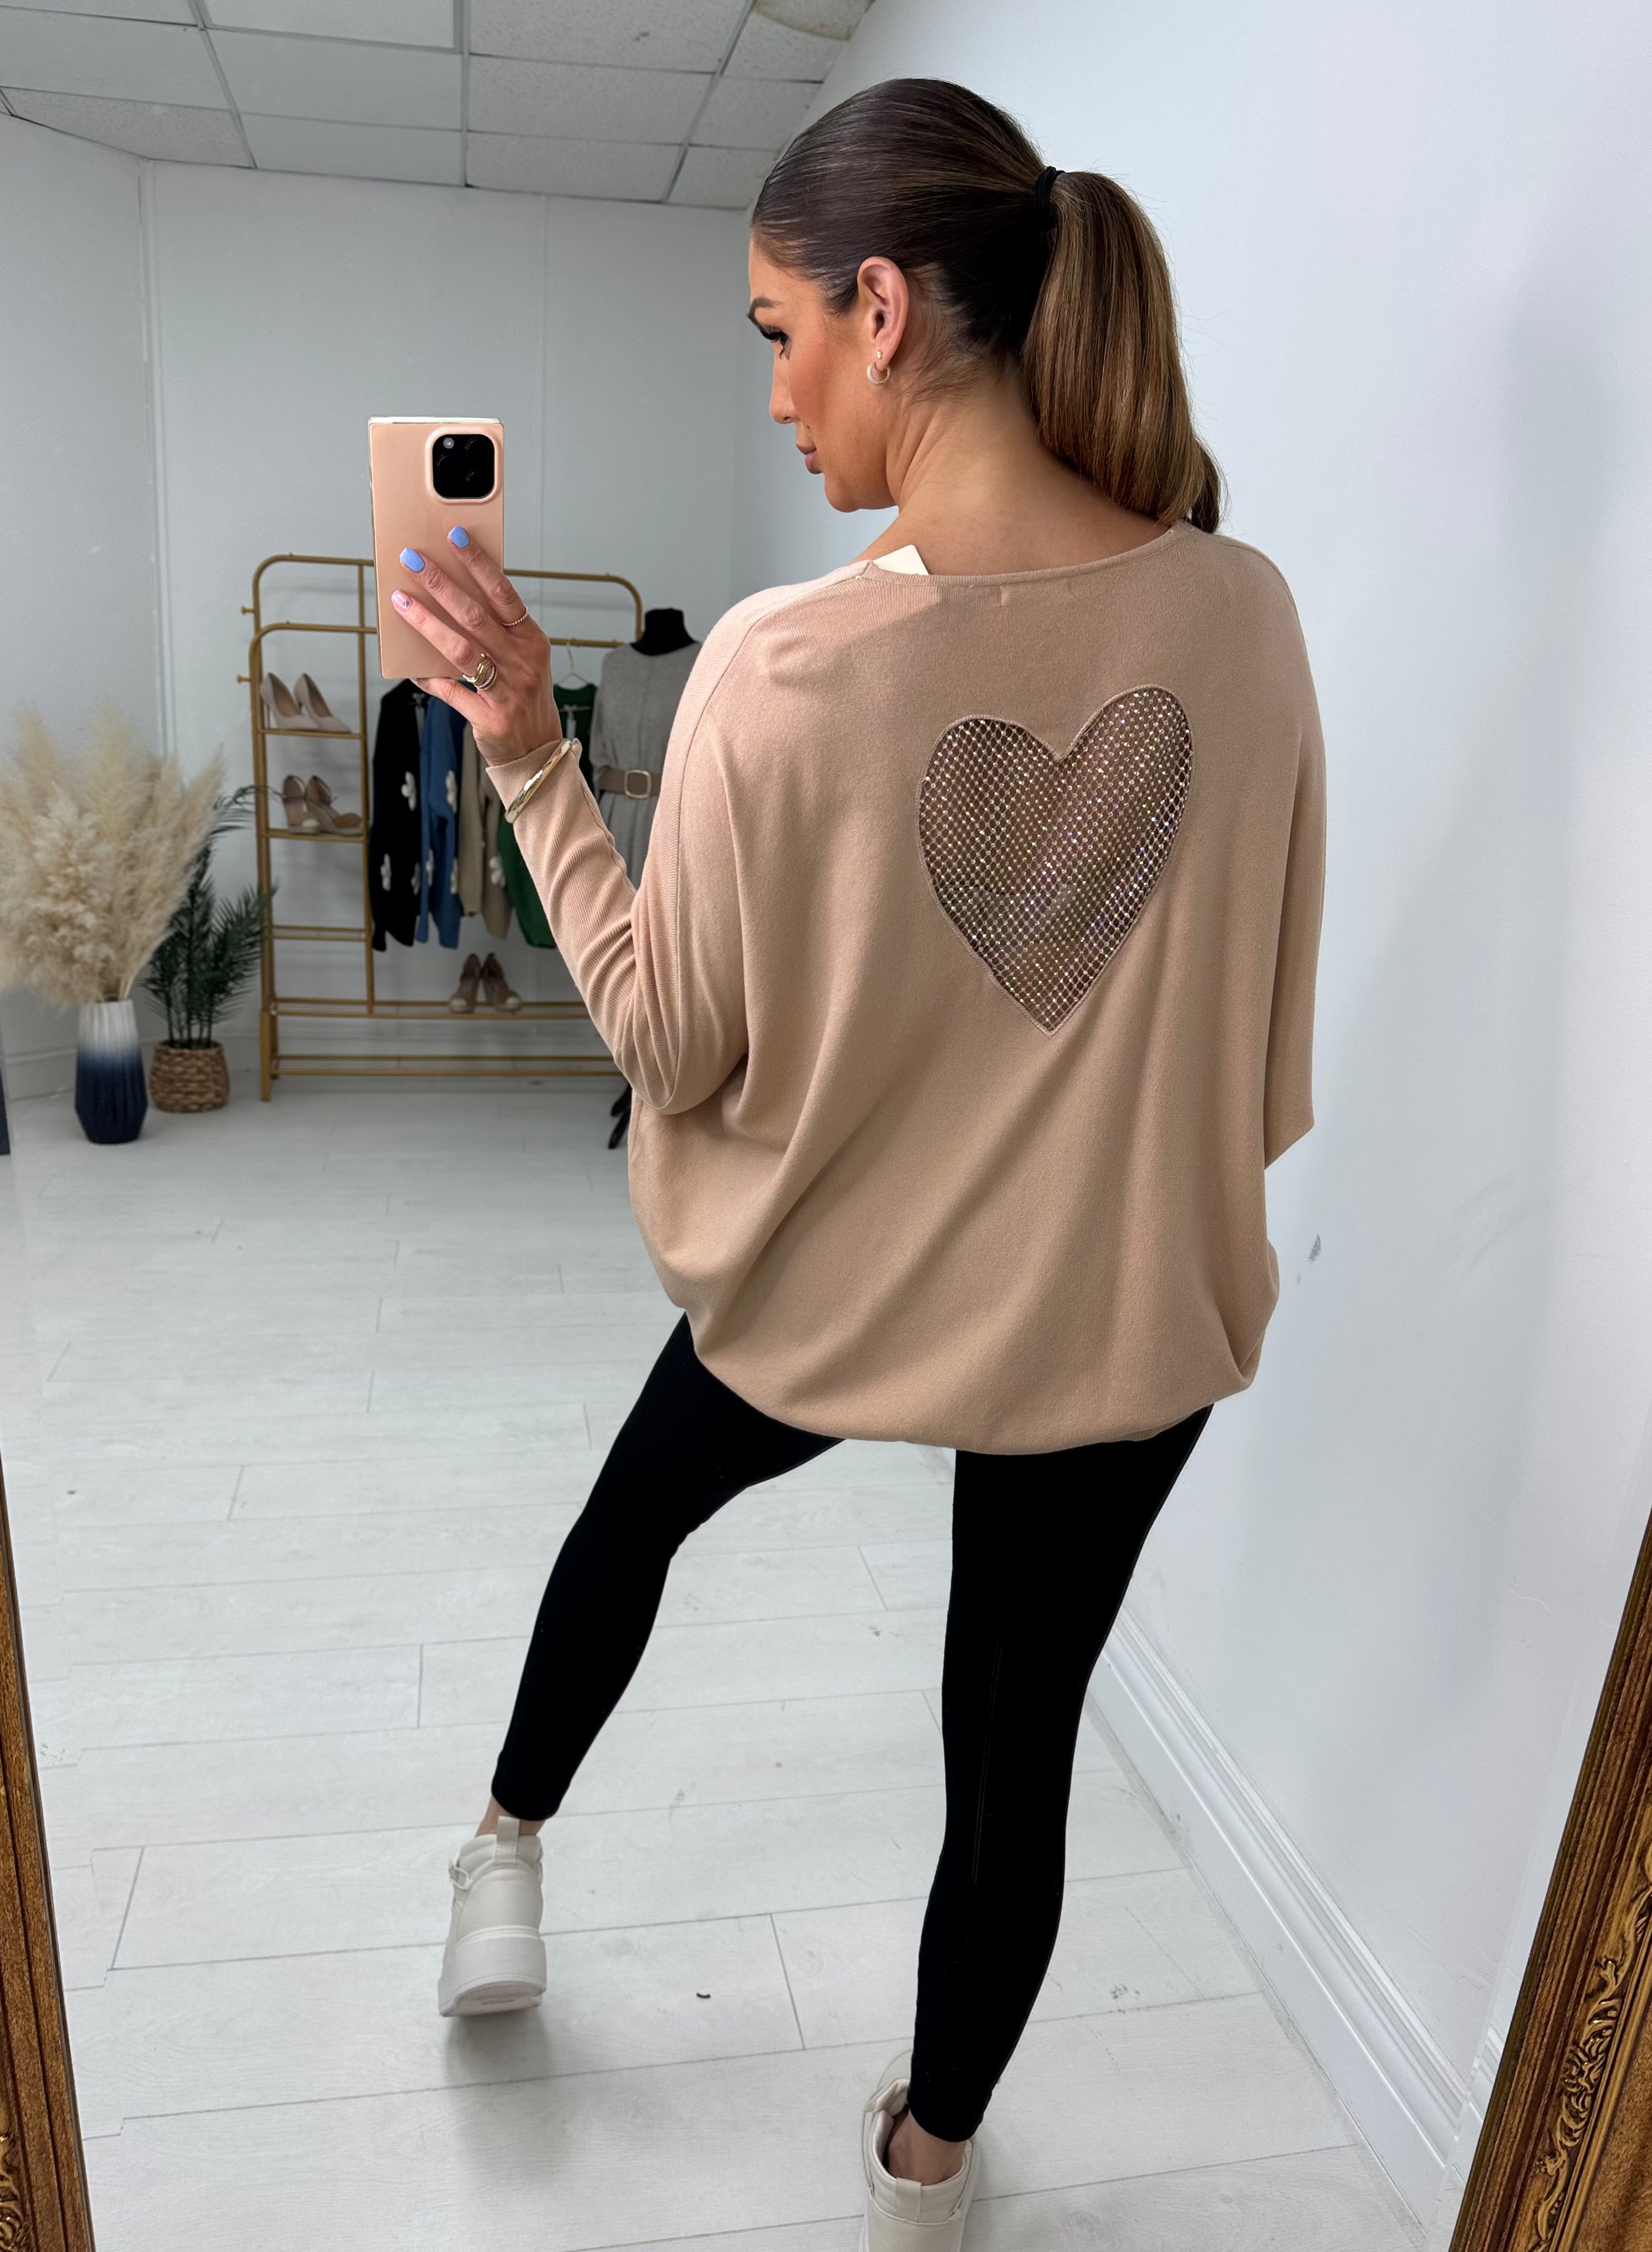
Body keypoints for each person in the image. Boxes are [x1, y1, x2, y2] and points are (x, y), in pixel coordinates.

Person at [391, 75, 1325, 2252]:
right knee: (1013, 1746)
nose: (779, 392)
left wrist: (526, 756)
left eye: (778, 332)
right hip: (1118, 1312)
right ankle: (927, 2173)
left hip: (833, 1287)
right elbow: (1256, 1031)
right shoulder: (1246, 615)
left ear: (883, 311)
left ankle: (504, 1846)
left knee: (633, 1517)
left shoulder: (785, 663)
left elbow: (671, 1041)